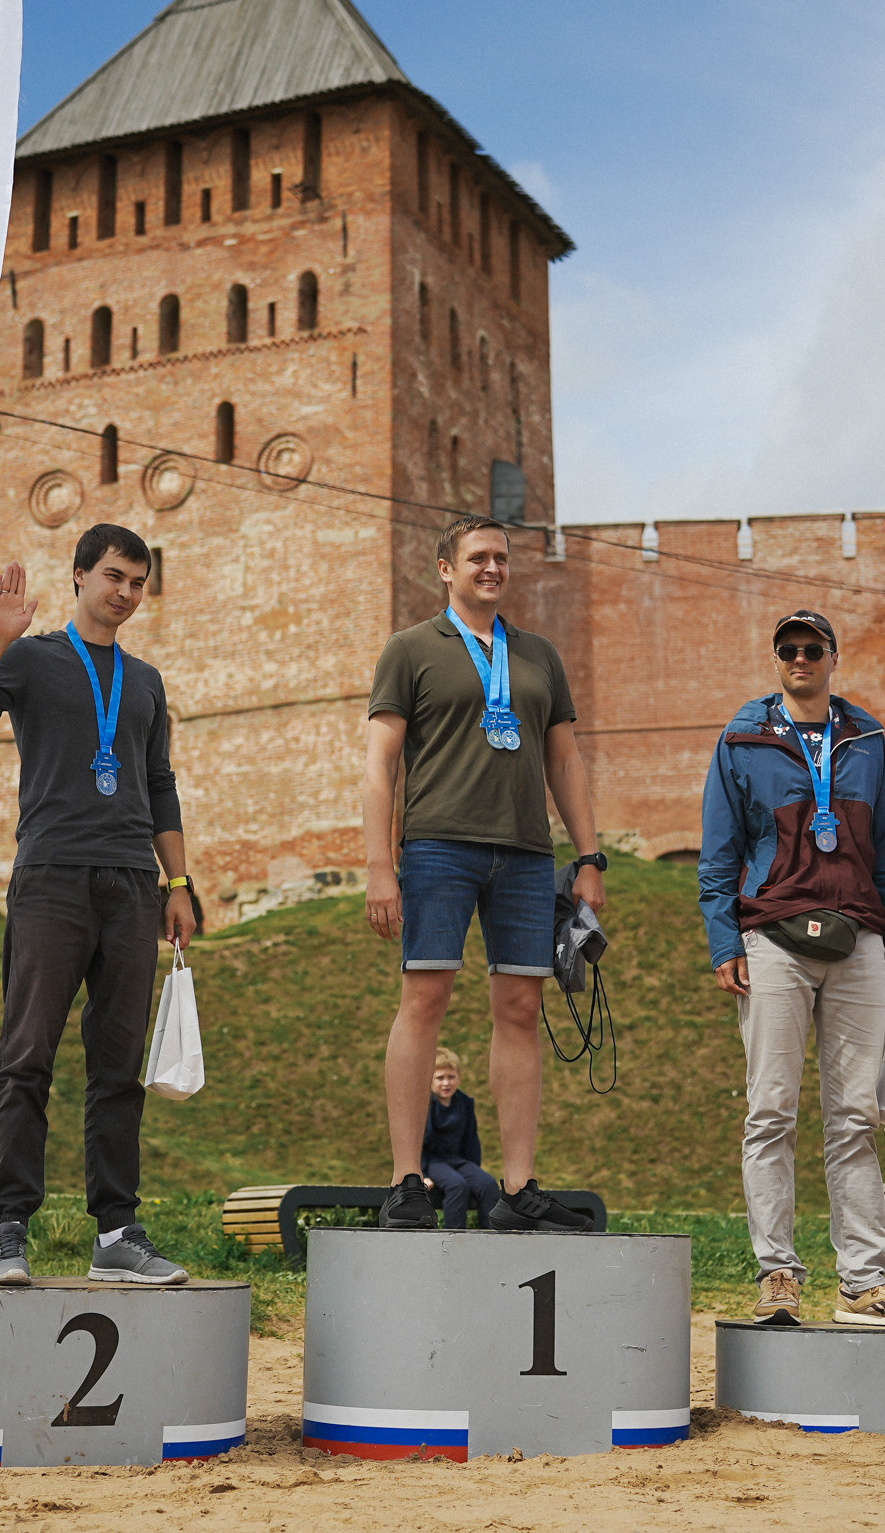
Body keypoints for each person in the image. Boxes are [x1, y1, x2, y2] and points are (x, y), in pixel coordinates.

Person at [0, 523, 199, 1288]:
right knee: (27, 1058)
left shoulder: (146, 681)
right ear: (81, 574)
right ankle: (8, 1230)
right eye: (114, 576)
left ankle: (117, 1231)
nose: (125, 592)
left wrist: (177, 885)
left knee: (117, 1069)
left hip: (129, 887)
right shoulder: (32, 657)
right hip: (51, 878)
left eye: (139, 582)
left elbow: (159, 786)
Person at [364, 514, 607, 1232]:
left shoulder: (537, 655)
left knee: (522, 1010)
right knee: (425, 999)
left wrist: (589, 858)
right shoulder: (410, 649)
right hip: (438, 845)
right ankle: (407, 1179)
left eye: (501, 558)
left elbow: (564, 760)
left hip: (528, 855)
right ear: (446, 568)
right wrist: (381, 861)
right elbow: (380, 762)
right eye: (478, 558)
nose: (492, 568)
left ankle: (520, 1186)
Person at [700, 609, 885, 1328]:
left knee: (855, 1118)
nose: (799, 659)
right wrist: (724, 942)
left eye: (811, 649)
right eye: (787, 651)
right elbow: (717, 851)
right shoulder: (743, 738)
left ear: (833, 657)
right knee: (769, 1110)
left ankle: (864, 1283)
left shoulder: (865, 738)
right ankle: (778, 1273)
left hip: (860, 940)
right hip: (772, 938)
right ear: (778, 661)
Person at [422, 1047, 500, 1229]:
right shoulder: (426, 1104)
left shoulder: (465, 1103)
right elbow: (419, 1143)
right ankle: (455, 1236)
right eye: (439, 1078)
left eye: (451, 1077)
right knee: (457, 1186)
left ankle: (489, 1236)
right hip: (434, 1162)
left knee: (488, 1184)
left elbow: (471, 1139)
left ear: (459, 1077)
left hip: (457, 1160)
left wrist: (474, 1170)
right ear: (429, 1080)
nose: (446, 1083)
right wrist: (423, 1174)